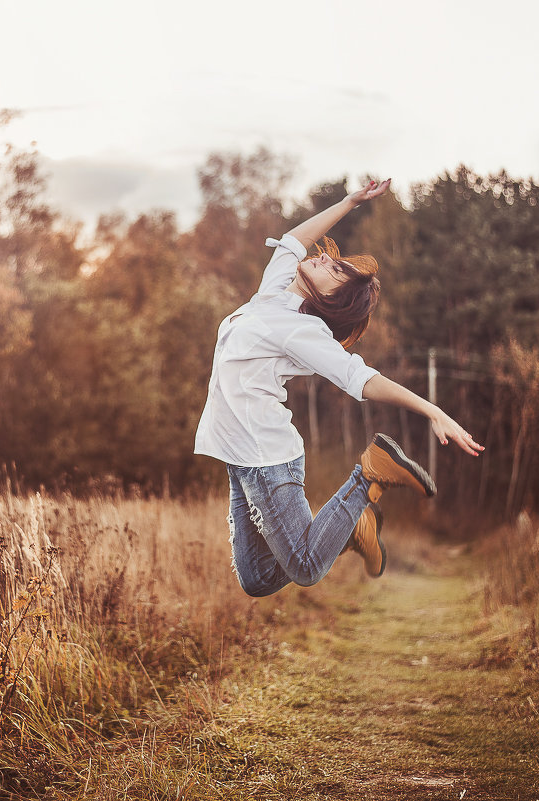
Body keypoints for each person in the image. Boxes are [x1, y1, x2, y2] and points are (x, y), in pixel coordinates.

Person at [193, 178, 483, 596]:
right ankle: (350, 528)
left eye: (336, 272)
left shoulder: (304, 330)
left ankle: (369, 476)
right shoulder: (274, 293)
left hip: (267, 458)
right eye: (334, 261)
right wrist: (349, 202)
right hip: (239, 457)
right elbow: (293, 240)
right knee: (256, 579)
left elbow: (362, 379)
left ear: (331, 299)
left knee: (307, 567)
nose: (325, 260)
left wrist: (433, 411)